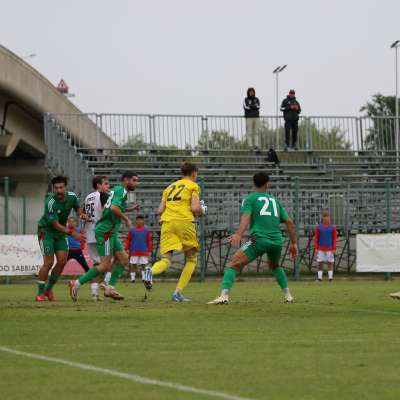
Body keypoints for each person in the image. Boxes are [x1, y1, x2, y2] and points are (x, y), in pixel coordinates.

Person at [208, 172, 297, 305]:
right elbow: (289, 222)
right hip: (277, 241)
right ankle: (288, 295)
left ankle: (224, 296)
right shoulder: (275, 201)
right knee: (274, 265)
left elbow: (246, 218)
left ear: (253, 183)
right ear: (267, 184)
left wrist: (238, 234)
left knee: (233, 264)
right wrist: (294, 243)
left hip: (259, 240)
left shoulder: (250, 199)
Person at [69, 172, 139, 301]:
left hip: (103, 231)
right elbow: (113, 208)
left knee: (123, 259)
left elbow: (110, 207)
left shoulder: (116, 190)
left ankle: (109, 287)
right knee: (104, 265)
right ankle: (77, 283)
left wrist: (127, 210)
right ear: (126, 180)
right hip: (105, 231)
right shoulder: (117, 192)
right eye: (134, 180)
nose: (136, 183)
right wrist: (126, 219)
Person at [143, 161, 206, 302]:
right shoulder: (193, 186)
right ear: (194, 173)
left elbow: (159, 210)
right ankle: (177, 293)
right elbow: (196, 208)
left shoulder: (169, 187)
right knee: (191, 259)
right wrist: (203, 211)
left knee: (166, 259)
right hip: (184, 221)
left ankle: (150, 271)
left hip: (167, 222)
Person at [36, 176, 85, 302]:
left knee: (62, 261)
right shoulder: (50, 202)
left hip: (60, 233)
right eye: (56, 188)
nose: (59, 190)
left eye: (61, 187)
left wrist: (81, 214)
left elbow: (77, 208)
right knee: (48, 262)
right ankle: (40, 293)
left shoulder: (72, 197)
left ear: (65, 188)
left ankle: (48, 289)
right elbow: (55, 224)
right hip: (46, 232)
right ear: (53, 189)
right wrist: (72, 233)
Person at [83, 175, 110, 300]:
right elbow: (107, 211)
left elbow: (82, 214)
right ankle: (107, 286)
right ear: (98, 185)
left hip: (89, 232)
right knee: (108, 262)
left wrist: (88, 218)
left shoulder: (88, 197)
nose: (108, 186)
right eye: (105, 183)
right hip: (100, 232)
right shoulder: (103, 196)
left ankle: (94, 293)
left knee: (97, 264)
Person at [124, 215, 152, 283]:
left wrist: (150, 250)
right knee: (133, 265)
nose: (139, 221)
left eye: (141, 220)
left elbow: (149, 240)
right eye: (138, 220)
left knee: (144, 265)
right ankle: (132, 279)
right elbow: (128, 239)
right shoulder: (132, 230)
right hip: (134, 251)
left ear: (143, 221)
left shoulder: (146, 230)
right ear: (136, 221)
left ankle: (144, 278)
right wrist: (126, 248)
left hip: (143, 251)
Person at [314, 211, 337, 282]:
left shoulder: (333, 227)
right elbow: (316, 238)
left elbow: (334, 238)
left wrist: (334, 247)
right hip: (321, 248)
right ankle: (319, 278)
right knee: (320, 263)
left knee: (330, 263)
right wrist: (316, 247)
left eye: (327, 217)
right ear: (322, 218)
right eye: (324, 217)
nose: (326, 219)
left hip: (329, 248)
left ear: (329, 218)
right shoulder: (318, 227)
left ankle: (330, 278)